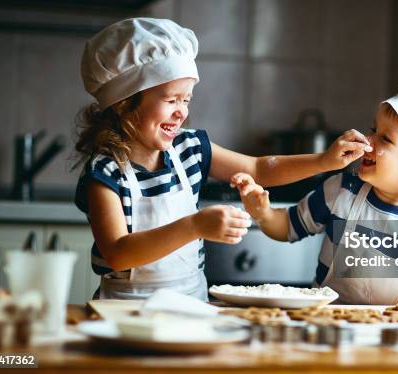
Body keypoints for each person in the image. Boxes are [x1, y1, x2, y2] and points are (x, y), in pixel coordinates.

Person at [73, 18, 372, 300]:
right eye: (171, 99)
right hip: (122, 314)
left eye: (186, 99)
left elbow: (259, 168)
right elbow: (117, 252)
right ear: (125, 103)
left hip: (191, 308)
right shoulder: (105, 172)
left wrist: (323, 161)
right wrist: (194, 226)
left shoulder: (190, 148)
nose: (182, 112)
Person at [232, 77, 398, 312]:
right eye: (373, 129)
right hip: (323, 322)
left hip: (388, 332)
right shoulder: (341, 190)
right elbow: (287, 227)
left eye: (385, 139)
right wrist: (263, 213)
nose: (368, 140)